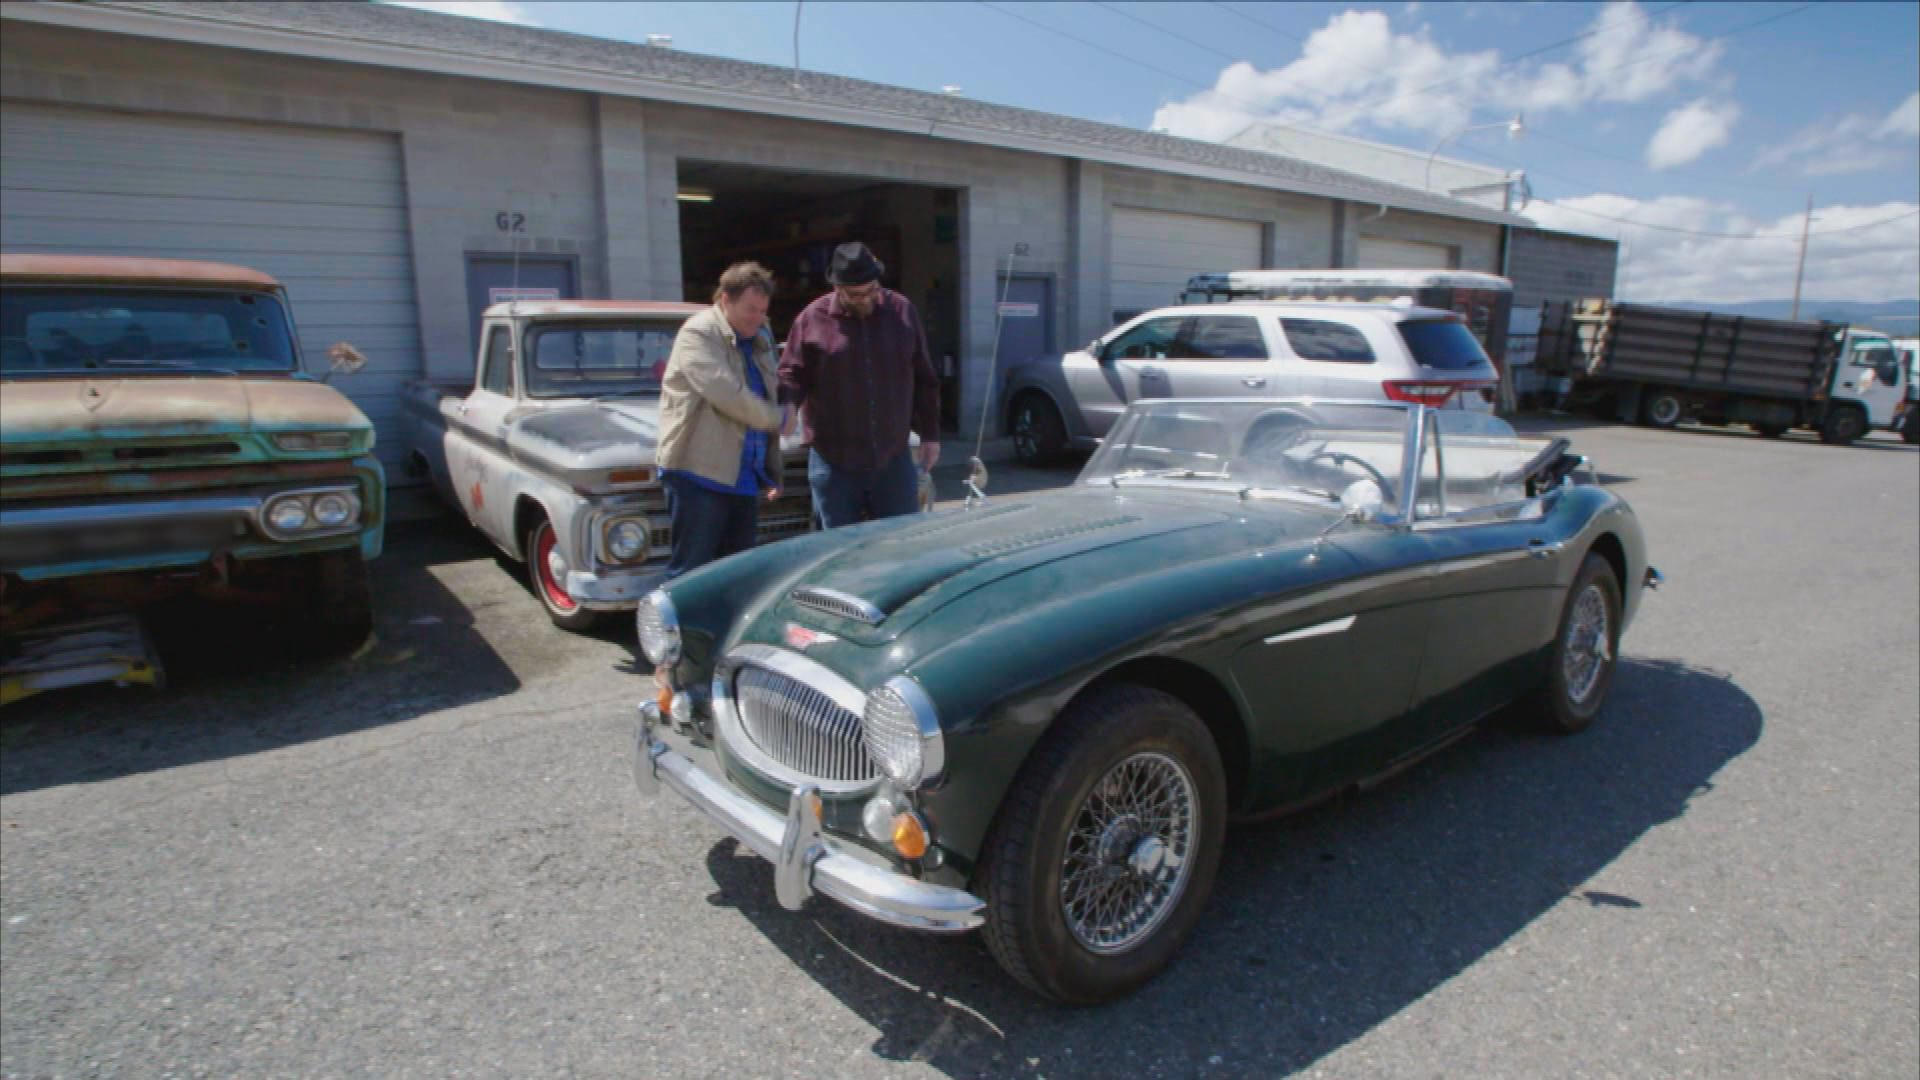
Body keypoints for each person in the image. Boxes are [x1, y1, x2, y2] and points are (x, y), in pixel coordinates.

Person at [779, 241, 941, 528]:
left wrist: (930, 434)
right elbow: (791, 372)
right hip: (834, 462)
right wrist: (788, 404)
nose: (865, 299)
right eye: (855, 295)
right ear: (836, 288)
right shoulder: (811, 319)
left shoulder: (902, 312)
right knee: (838, 554)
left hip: (893, 460)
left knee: (900, 546)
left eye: (871, 291)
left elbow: (924, 378)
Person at [655, 261, 795, 580]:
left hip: (742, 478)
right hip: (699, 475)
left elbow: (770, 389)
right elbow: (728, 394)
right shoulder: (698, 333)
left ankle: (721, 631)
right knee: (692, 573)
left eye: (763, 311)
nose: (758, 319)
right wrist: (776, 418)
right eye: (751, 310)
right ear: (725, 300)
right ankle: (680, 631)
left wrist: (772, 471)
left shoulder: (758, 336)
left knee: (737, 572)